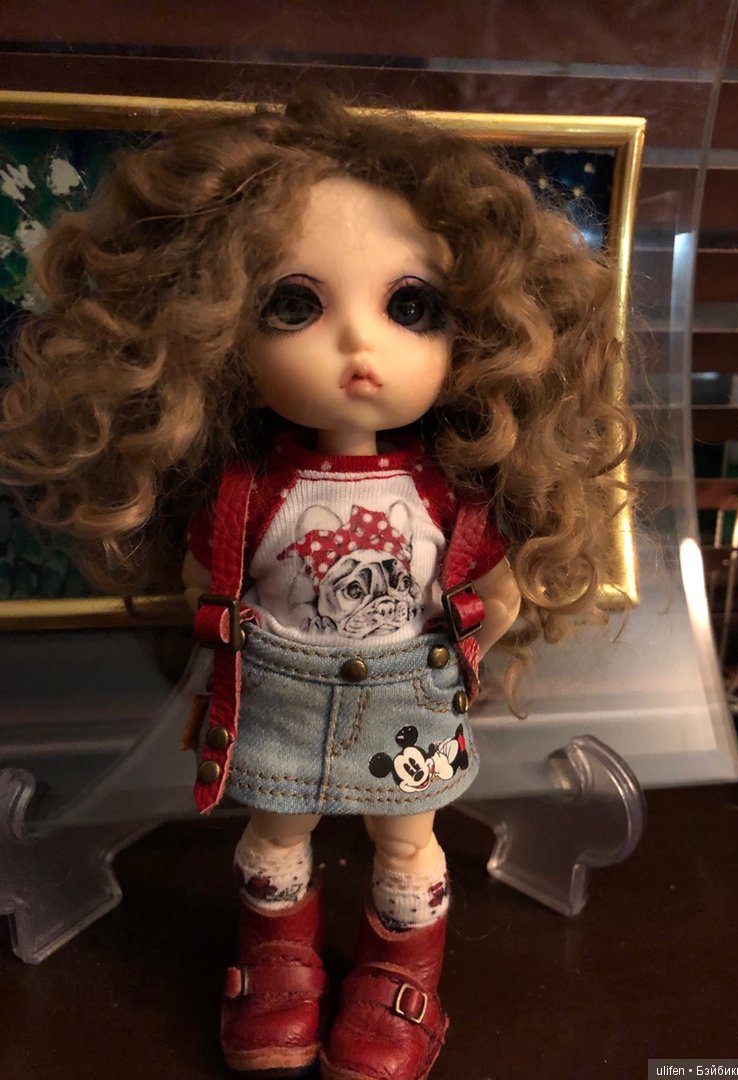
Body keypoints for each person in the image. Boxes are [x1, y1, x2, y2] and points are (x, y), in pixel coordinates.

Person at [0, 88, 635, 1079]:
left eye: (409, 307)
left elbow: (496, 594)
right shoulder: (247, 492)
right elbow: (204, 581)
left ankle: (400, 973)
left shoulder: (452, 498)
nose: (357, 347)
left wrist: (471, 642)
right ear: (211, 327)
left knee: (408, 843)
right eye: (295, 305)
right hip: (279, 700)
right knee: (274, 833)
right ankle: (279, 961)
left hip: (408, 704)